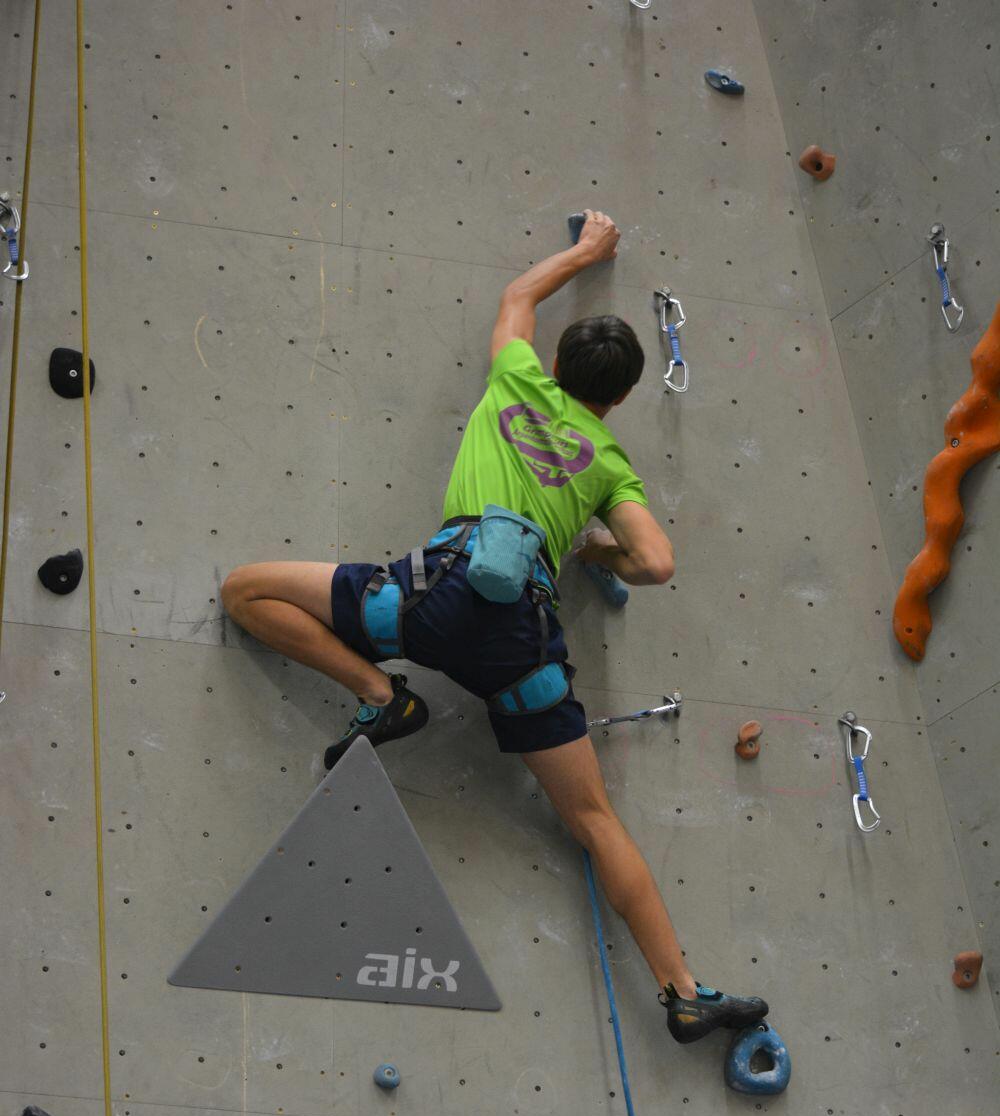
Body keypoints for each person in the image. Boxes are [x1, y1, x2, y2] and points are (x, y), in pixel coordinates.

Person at [221, 210, 766, 1043]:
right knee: (594, 821)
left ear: (554, 365)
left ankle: (381, 695)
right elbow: (657, 563)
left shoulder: (515, 376)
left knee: (246, 591)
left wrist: (587, 251)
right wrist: (594, 548)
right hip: (521, 650)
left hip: (429, 600)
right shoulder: (609, 464)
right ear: (620, 399)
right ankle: (682, 990)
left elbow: (519, 296)